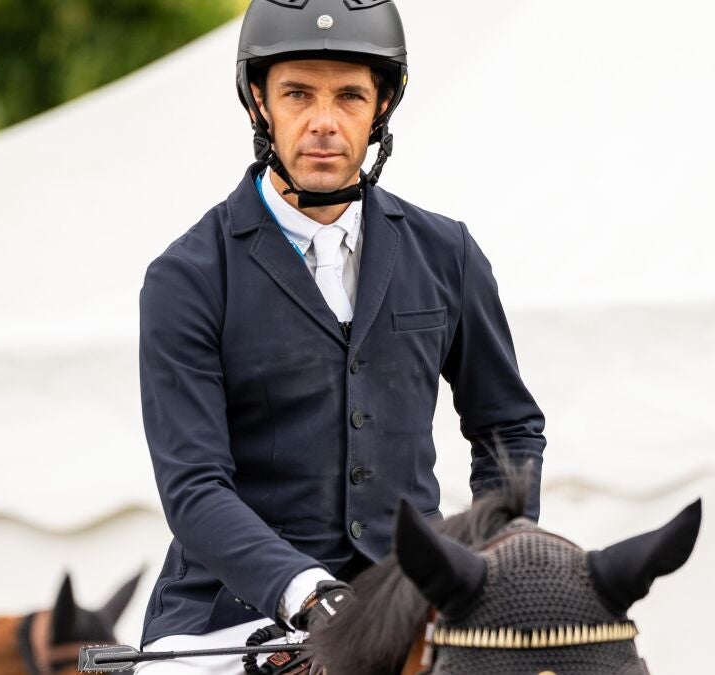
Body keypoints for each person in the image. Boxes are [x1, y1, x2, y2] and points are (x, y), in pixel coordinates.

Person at [137, 0, 545, 671]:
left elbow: (508, 427)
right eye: (298, 94)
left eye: (349, 96)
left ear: (380, 107)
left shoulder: (448, 254)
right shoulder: (187, 277)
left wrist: (497, 556)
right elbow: (194, 487)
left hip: (413, 601)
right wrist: (306, 592)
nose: (324, 122)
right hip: (233, 614)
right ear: (260, 104)